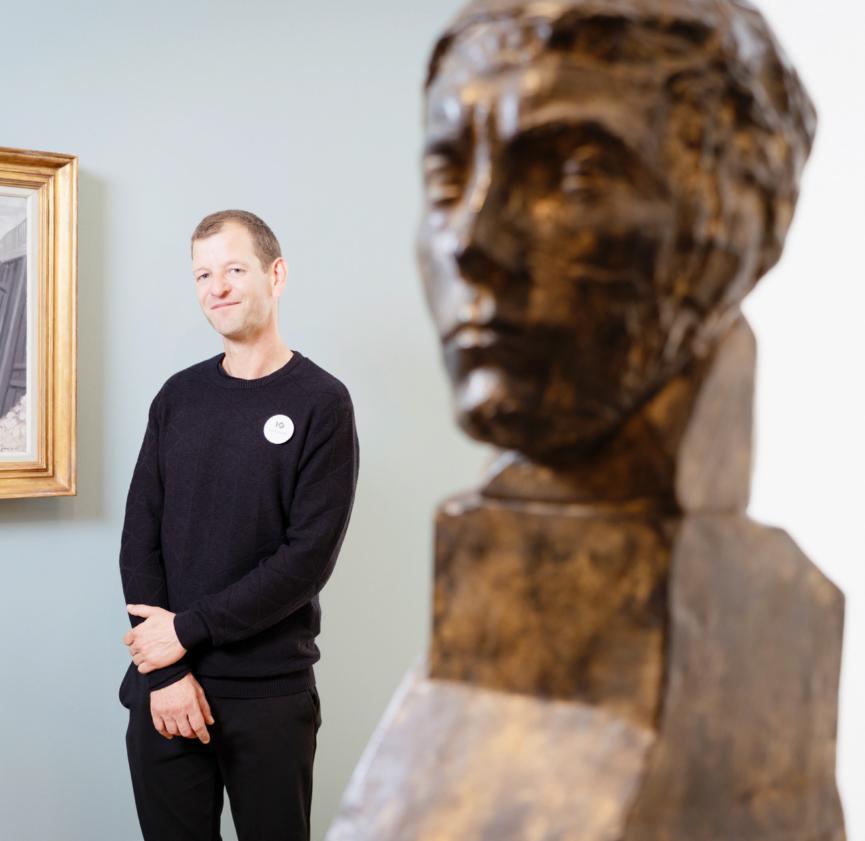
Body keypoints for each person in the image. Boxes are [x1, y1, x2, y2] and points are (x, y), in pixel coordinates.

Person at [117, 209, 360, 841]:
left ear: (275, 275)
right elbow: (140, 538)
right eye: (203, 274)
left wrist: (187, 630)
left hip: (268, 696)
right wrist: (167, 673)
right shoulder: (178, 397)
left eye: (233, 269)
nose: (217, 287)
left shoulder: (322, 402)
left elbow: (306, 560)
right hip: (165, 691)